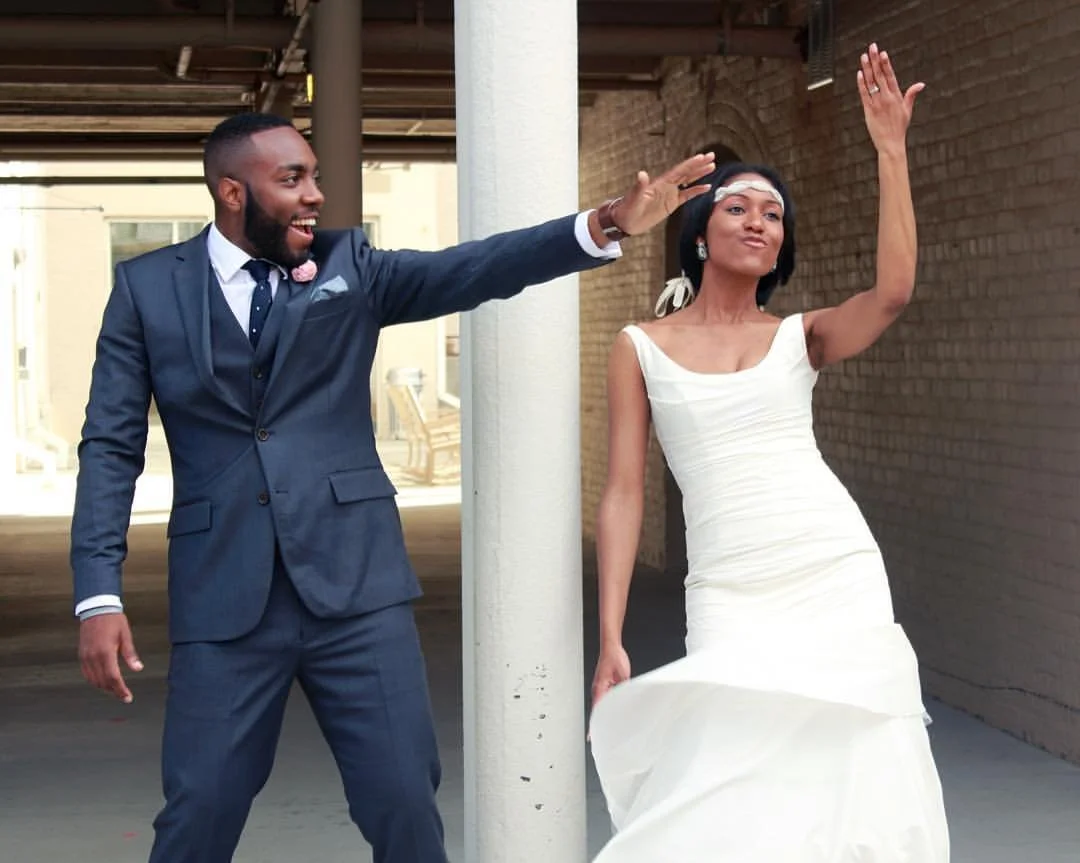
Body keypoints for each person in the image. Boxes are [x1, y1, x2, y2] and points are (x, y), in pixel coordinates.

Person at [69, 110, 715, 863]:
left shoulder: (354, 268)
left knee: (405, 801)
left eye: (314, 175)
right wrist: (98, 591)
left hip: (358, 590)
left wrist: (604, 224)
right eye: (292, 179)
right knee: (199, 810)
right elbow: (110, 443)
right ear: (232, 193)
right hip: (224, 598)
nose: (315, 194)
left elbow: (474, 267)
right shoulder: (146, 289)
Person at [588, 44, 949, 861]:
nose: (758, 221)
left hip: (832, 566)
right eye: (739, 208)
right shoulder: (638, 346)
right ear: (700, 232)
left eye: (773, 215)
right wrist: (610, 632)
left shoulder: (800, 336)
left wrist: (891, 149)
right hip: (729, 587)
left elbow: (891, 292)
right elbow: (622, 493)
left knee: (853, 771)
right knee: (731, 781)